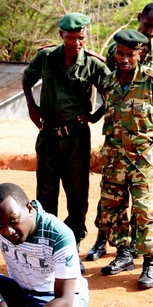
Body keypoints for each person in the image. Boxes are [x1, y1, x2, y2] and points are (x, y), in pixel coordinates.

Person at [22, 13, 109, 249]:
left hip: (76, 139)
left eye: (81, 37)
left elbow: (112, 92)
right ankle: (48, 241)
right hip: (48, 136)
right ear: (61, 35)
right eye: (71, 37)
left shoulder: (93, 64)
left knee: (76, 194)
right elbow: (27, 78)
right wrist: (32, 106)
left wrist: (95, 116)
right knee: (46, 193)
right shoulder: (46, 57)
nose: (76, 43)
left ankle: (73, 242)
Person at [89, 1, 153, 263]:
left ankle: (148, 262)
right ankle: (119, 251)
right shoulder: (109, 81)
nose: (123, 59)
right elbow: (109, 109)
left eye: (129, 55)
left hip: (142, 157)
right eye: (120, 54)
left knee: (144, 210)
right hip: (114, 156)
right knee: (112, 205)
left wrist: (146, 143)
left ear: (140, 54)